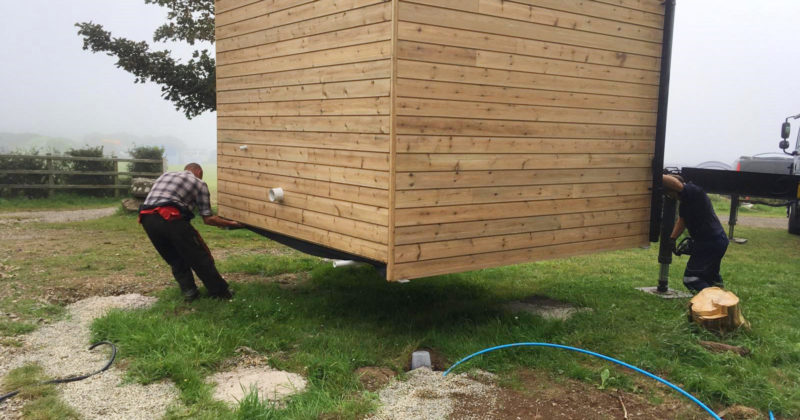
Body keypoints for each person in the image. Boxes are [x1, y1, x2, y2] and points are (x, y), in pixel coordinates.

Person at [139, 163, 242, 302]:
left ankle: (190, 293)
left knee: (174, 258)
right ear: (199, 172)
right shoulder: (199, 183)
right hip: (170, 217)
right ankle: (220, 293)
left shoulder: (166, 175)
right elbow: (208, 218)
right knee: (199, 256)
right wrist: (232, 224)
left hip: (146, 219)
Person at [662, 174, 729, 292]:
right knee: (711, 277)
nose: (668, 195)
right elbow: (681, 221)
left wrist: (656, 174)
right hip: (715, 241)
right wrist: (672, 239)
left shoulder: (693, 191)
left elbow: (677, 185)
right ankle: (724, 304)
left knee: (691, 279)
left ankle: (711, 304)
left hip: (710, 242)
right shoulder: (685, 203)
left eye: (668, 192)